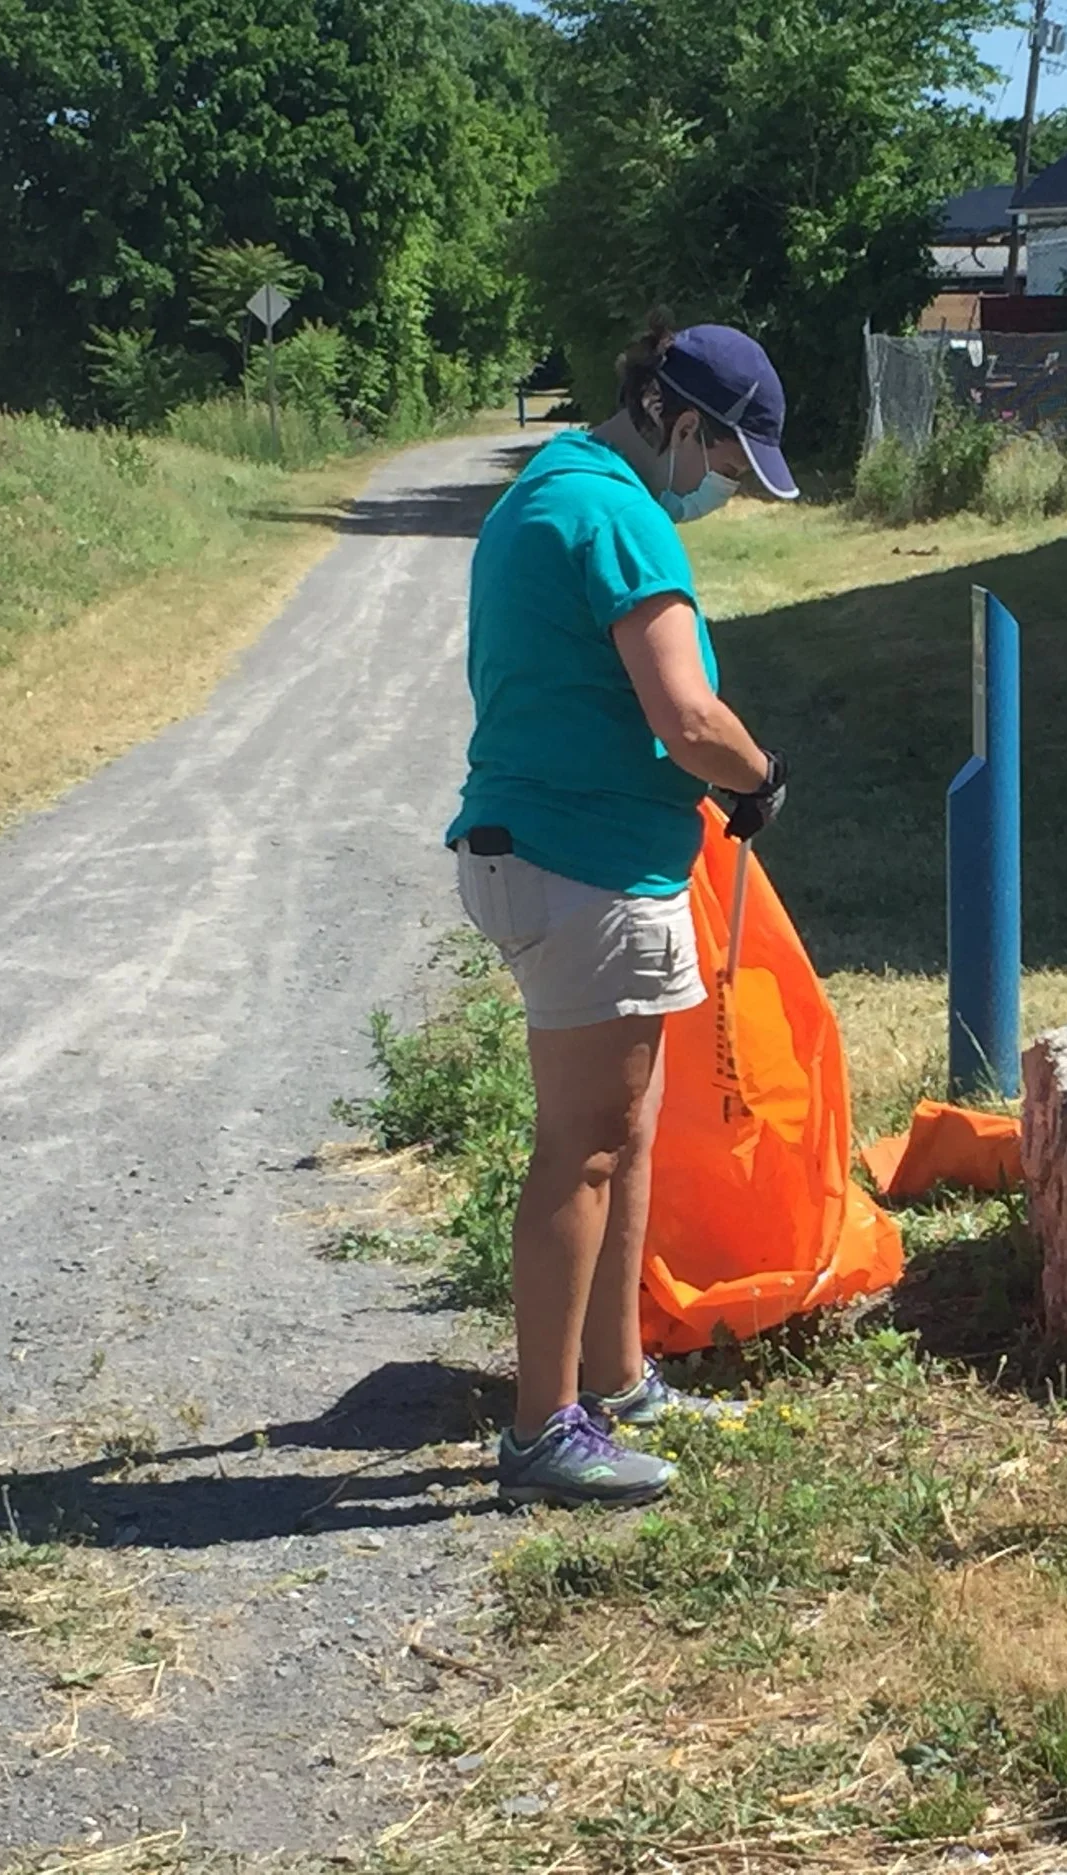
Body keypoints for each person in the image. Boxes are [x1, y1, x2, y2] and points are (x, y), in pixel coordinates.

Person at [445, 319, 795, 1507]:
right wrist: (759, 777)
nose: (728, 486)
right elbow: (688, 715)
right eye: (730, 460)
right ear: (676, 422)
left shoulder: (558, 485)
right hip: (582, 862)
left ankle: (617, 1375)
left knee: (625, 1124)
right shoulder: (617, 514)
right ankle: (543, 1431)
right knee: (583, 1146)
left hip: (559, 850)